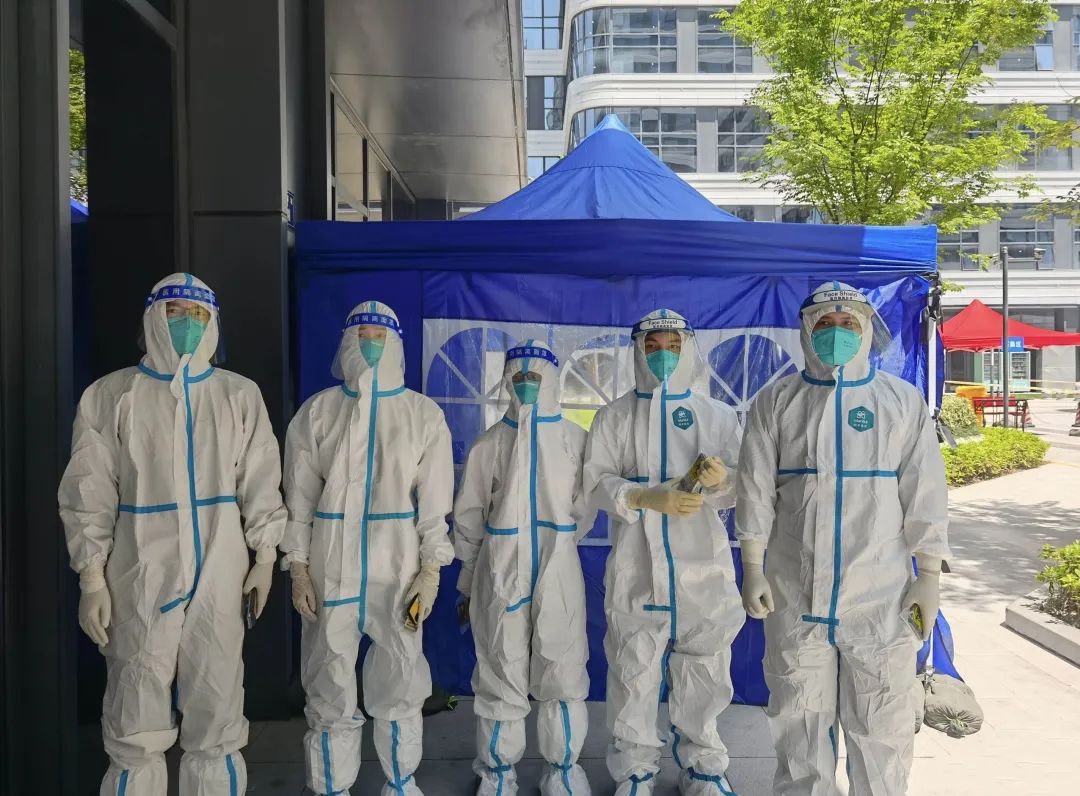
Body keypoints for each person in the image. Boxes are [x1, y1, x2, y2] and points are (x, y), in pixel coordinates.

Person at [58, 272, 287, 795]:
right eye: (175, 312)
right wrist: (91, 576)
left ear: (214, 323)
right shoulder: (112, 395)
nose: (187, 323)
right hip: (141, 570)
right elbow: (89, 488)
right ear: (152, 319)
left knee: (217, 710)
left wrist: (265, 556)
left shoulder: (238, 394)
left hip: (221, 569)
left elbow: (260, 477)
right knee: (135, 716)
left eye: (198, 314)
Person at [735, 281, 950, 796]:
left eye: (848, 323)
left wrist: (929, 576)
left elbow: (925, 493)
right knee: (799, 725)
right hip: (794, 594)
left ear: (868, 329)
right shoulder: (776, 401)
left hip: (880, 598)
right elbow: (755, 491)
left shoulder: (900, 401)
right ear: (806, 331)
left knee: (882, 727)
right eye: (825, 324)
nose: (837, 333)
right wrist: (753, 567)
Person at [281, 300, 454, 796]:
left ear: (396, 345)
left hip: (395, 567)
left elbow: (435, 503)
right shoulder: (318, 412)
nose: (371, 346)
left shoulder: (422, 414)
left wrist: (430, 570)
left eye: (381, 337)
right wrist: (298, 565)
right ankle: (331, 787)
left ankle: (400, 784)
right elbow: (299, 498)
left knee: (400, 677)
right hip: (329, 566)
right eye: (362, 337)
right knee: (328, 682)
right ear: (346, 343)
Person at [584, 309, 744, 796]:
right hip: (637, 565)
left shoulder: (718, 415)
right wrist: (639, 496)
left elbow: (743, 486)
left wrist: (724, 480)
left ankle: (705, 768)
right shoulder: (614, 416)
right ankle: (634, 771)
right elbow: (594, 481)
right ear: (637, 352)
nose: (662, 355)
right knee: (632, 671)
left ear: (689, 349)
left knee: (705, 667)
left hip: (703, 566)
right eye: (651, 346)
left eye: (673, 346)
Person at [454, 339, 597, 796]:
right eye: (517, 376)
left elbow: (584, 507)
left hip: (558, 566)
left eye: (535, 376)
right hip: (500, 568)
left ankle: (563, 770)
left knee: (563, 666)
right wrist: (467, 581)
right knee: (500, 666)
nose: (526, 383)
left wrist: (560, 538)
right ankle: (497, 774)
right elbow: (469, 515)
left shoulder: (575, 439)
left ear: (551, 379)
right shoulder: (490, 443)